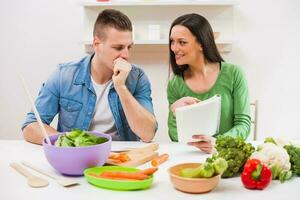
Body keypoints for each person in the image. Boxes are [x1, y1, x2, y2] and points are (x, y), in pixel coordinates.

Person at [22, 9, 157, 144]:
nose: (126, 55)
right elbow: (31, 126)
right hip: (77, 159)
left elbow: (148, 134)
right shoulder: (64, 75)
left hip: (121, 159)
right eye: (118, 47)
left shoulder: (137, 77)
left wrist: (121, 87)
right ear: (96, 44)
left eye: (129, 47)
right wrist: (71, 143)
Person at [167, 13, 251, 153]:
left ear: (201, 43)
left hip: (227, 154)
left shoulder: (234, 74)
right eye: (172, 41)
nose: (174, 48)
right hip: (192, 156)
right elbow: (175, 137)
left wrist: (219, 143)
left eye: (182, 42)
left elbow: (243, 125)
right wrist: (175, 112)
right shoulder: (175, 83)